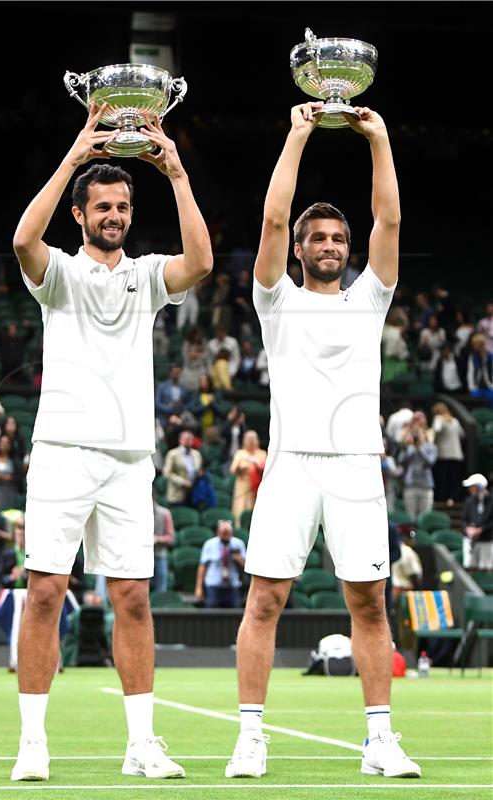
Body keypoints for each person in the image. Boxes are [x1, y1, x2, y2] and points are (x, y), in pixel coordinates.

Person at [10, 103, 212, 781]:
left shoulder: (149, 275)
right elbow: (20, 241)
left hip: (129, 457)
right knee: (45, 592)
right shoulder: (59, 276)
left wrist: (176, 172)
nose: (115, 215)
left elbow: (203, 262)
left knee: (132, 597)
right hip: (63, 450)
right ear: (81, 214)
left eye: (122, 205)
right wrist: (75, 153)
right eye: (102, 206)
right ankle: (33, 746)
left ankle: (140, 745)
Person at [225, 102, 421, 781]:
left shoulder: (369, 300)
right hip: (289, 466)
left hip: (356, 468)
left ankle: (378, 741)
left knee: (368, 602)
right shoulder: (274, 299)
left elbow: (389, 219)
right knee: (264, 601)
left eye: (339, 237)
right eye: (321, 238)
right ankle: (250, 737)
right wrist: (298, 132)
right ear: (302, 250)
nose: (332, 244)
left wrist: (379, 138)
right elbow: (273, 217)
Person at [194, 519, 246, 608]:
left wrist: (239, 559)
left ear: (232, 532)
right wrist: (199, 587)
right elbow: (203, 567)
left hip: (233, 586)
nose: (225, 535)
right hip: (213, 586)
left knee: (235, 617)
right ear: (218, 532)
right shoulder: (209, 544)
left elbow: (245, 566)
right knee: (211, 617)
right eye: (223, 532)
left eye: (228, 532)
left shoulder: (238, 544)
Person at [397, 412, 438, 521]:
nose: (417, 436)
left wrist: (420, 447)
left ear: (423, 434)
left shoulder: (430, 447)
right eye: (415, 434)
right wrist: (409, 447)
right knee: (410, 518)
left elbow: (430, 462)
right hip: (410, 485)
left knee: (425, 518)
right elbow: (401, 460)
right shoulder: (409, 447)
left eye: (419, 433)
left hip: (426, 486)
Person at [229, 430, 267, 528]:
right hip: (242, 486)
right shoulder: (240, 453)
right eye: (248, 439)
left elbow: (267, 471)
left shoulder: (262, 453)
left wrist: (256, 464)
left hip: (257, 487)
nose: (250, 442)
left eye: (253, 439)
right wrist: (242, 464)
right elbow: (232, 470)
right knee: (240, 510)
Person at [430, 402, 464, 505]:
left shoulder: (438, 419)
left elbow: (436, 429)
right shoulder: (455, 421)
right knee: (453, 478)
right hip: (456, 454)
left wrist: (437, 420)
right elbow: (462, 434)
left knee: (443, 478)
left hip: (443, 454)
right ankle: (451, 498)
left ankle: (442, 498)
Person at [461, 473, 493, 570]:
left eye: (472, 486)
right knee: (470, 567)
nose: (470, 489)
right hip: (470, 540)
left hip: (486, 540)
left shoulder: (491, 501)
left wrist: (481, 530)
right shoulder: (468, 501)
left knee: (486, 568)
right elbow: (463, 519)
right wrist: (468, 529)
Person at [163, 430, 203, 506]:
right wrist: (183, 482)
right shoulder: (172, 454)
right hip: (177, 492)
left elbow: (198, 469)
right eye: (187, 439)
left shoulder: (197, 454)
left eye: (191, 439)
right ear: (180, 440)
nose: (189, 441)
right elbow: (167, 473)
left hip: (193, 492)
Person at [151, 494, 175, 593]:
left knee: (160, 591)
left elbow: (171, 538)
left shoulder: (165, 513)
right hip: (139, 558)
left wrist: (157, 539)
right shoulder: (136, 513)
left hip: (159, 556)